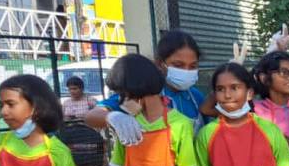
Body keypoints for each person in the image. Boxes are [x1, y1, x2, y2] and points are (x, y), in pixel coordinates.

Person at [85, 29, 215, 141]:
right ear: (160, 63)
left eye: (193, 66)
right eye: (178, 65)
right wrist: (112, 117)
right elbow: (91, 116)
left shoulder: (195, 96)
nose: (186, 71)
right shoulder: (145, 94)